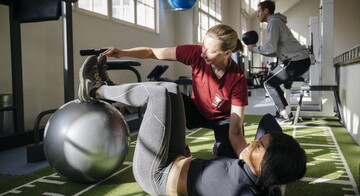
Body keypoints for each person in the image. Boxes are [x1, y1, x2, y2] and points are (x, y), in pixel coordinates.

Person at [77, 55, 307, 196]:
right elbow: (268, 120)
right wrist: (280, 145)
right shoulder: (258, 172)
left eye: (260, 147)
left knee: (156, 94)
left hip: (156, 174)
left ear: (268, 168)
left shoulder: (245, 191)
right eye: (261, 141)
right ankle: (111, 89)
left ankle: (95, 89)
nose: (254, 142)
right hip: (177, 157)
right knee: (171, 89)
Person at [100, 24, 248, 158]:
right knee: (168, 93)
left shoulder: (237, 79)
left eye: (210, 51)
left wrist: (247, 163)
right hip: (196, 110)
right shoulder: (196, 54)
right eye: (203, 46)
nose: (203, 53)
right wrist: (123, 52)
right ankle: (181, 148)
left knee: (229, 156)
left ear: (227, 53)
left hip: (223, 120)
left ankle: (219, 146)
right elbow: (153, 52)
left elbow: (235, 132)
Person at [247, 0, 311, 125]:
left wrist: (254, 49)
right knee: (271, 82)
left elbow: (270, 47)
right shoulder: (275, 22)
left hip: (297, 61)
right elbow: (274, 51)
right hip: (297, 60)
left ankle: (285, 115)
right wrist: (256, 50)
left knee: (268, 82)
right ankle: (285, 113)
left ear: (266, 11)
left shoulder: (274, 22)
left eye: (259, 11)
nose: (257, 14)